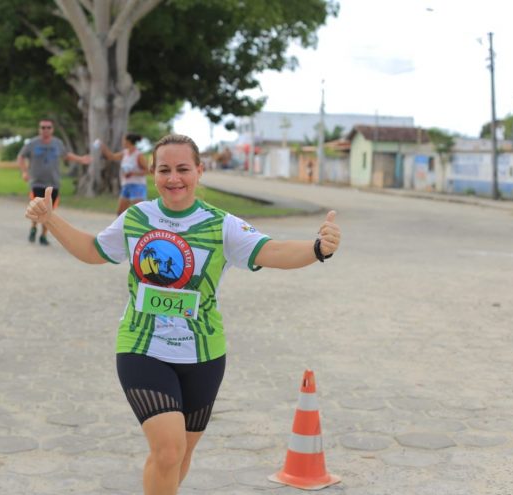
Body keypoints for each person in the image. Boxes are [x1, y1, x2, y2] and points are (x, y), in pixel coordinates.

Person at [25, 134, 341, 495]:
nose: (173, 178)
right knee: (168, 450)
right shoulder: (137, 218)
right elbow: (93, 250)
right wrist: (50, 218)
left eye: (182, 169)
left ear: (199, 171)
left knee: (180, 455)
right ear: (152, 174)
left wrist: (318, 249)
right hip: (142, 347)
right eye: (164, 170)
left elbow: (275, 251)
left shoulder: (222, 224)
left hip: (204, 353)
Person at [18, 118, 91, 245]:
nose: (45, 130)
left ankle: (43, 235)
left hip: (53, 183)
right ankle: (34, 227)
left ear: (52, 129)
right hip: (37, 182)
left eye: (48, 127)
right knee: (37, 208)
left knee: (49, 211)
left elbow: (66, 155)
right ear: (39, 129)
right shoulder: (32, 143)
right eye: (43, 127)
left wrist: (81, 159)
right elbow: (21, 156)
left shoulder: (57, 143)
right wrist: (24, 172)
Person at [100, 133, 149, 215]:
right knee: (120, 213)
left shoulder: (138, 155)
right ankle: (120, 228)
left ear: (129, 141)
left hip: (137, 186)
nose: (122, 142)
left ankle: (147, 227)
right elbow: (111, 157)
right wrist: (102, 147)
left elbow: (147, 170)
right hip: (126, 185)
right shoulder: (125, 153)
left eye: (124, 140)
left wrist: (133, 173)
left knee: (140, 213)